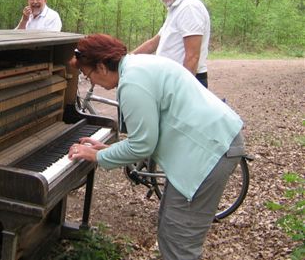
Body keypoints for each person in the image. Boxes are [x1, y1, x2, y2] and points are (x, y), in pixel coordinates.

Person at [69, 33, 245, 260]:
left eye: (88, 74)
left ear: (102, 66)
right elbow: (147, 137)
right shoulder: (137, 64)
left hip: (210, 152)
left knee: (178, 239)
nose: (91, 82)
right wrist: (104, 150)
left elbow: (142, 146)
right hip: (210, 145)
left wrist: (96, 157)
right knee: (170, 226)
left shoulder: (132, 82)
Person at [133, 0, 210, 88]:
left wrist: (183, 90)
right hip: (172, 79)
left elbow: (192, 56)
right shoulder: (176, 8)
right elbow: (154, 42)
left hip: (185, 81)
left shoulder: (189, 8)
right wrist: (126, 59)